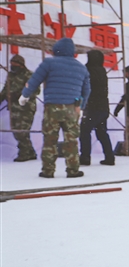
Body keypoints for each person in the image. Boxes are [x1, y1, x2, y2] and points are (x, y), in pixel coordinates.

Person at [20, 38, 90, 178]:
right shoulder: (81, 68)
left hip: (53, 108)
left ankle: (48, 170)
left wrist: (25, 95)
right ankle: (73, 170)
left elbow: (35, 80)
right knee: (71, 139)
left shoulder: (49, 63)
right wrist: (81, 106)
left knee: (50, 139)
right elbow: (87, 90)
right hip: (72, 108)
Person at [1, 55, 39, 162]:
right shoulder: (11, 75)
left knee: (22, 131)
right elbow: (5, 90)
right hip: (14, 108)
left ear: (21, 65)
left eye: (15, 64)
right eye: (11, 64)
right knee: (16, 130)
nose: (13, 66)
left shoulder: (30, 75)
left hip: (26, 107)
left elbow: (35, 91)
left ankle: (24, 153)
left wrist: (19, 95)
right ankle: (30, 152)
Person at [79, 50, 114, 166]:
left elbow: (85, 87)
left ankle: (85, 157)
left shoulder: (88, 70)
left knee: (84, 131)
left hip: (93, 107)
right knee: (102, 132)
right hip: (103, 106)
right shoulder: (102, 71)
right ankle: (110, 157)